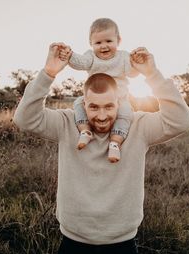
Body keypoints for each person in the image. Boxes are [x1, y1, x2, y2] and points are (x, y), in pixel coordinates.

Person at [13, 43, 189, 254]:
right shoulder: (67, 123)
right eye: (93, 107)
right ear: (83, 103)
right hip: (73, 243)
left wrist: (153, 75)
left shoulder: (138, 126)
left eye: (109, 106)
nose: (101, 116)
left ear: (119, 102)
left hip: (122, 244)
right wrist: (48, 73)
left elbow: (182, 120)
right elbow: (24, 119)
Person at [59, 18, 142, 163]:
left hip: (119, 99)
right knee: (78, 102)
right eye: (98, 43)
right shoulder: (90, 57)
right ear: (91, 44)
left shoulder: (123, 57)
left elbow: (132, 73)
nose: (104, 46)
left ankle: (115, 142)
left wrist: (137, 63)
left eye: (108, 41)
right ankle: (85, 130)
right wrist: (70, 56)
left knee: (126, 113)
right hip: (95, 98)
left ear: (118, 40)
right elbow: (81, 63)